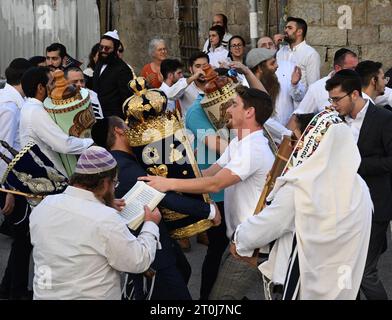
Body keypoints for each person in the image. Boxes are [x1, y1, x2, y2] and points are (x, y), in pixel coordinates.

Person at [140, 86, 275, 300]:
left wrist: (167, 183)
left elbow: (214, 184)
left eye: (234, 104)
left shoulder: (254, 148)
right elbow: (207, 174)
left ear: (249, 112)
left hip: (252, 245)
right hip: (240, 240)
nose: (227, 109)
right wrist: (172, 170)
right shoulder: (240, 142)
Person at [232, 109, 373, 300]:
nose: (293, 147)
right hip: (344, 282)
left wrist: (239, 239)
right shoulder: (360, 186)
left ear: (311, 144)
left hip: (306, 282)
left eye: (296, 139)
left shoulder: (301, 185)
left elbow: (268, 225)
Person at [91, 117, 220, 300]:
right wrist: (209, 211)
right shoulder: (127, 166)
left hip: (151, 242)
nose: (133, 130)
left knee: (183, 269)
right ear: (119, 131)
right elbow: (164, 197)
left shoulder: (120, 161)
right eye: (128, 126)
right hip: (151, 251)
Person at [29, 146, 161, 299]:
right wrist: (151, 224)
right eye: (114, 183)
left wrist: (102, 204)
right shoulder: (105, 218)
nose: (114, 188)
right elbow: (138, 261)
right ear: (105, 183)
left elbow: (74, 228)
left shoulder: (43, 206)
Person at [326, 69, 392, 300]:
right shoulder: (334, 122)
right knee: (344, 269)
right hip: (343, 207)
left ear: (354, 94)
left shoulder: (384, 118)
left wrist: (356, 164)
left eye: (337, 99)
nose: (333, 105)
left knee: (364, 272)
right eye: (331, 99)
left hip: (375, 207)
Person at [19, 67, 93, 177]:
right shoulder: (35, 112)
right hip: (51, 175)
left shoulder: (30, 107)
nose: (56, 86)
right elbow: (64, 145)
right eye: (52, 82)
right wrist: (91, 143)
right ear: (40, 88)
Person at [0, 58, 33, 300]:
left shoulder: (12, 101)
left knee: (22, 240)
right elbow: (4, 149)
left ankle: (10, 287)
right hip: (11, 183)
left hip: (12, 181)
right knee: (23, 239)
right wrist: (8, 188)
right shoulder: (10, 106)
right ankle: (16, 291)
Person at [286, 48, 358, 131]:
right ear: (338, 68)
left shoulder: (359, 84)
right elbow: (298, 117)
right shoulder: (317, 88)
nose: (356, 72)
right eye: (352, 69)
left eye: (356, 68)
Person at [93, 30, 134, 118]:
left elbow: (126, 98)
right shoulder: (99, 63)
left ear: (115, 49)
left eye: (107, 48)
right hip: (97, 114)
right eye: (101, 47)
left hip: (113, 117)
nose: (103, 51)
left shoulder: (123, 69)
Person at [277, 17, 320, 89]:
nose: (285, 30)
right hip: (283, 99)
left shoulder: (311, 54)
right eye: (286, 28)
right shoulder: (281, 52)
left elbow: (313, 85)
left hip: (301, 99)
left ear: (299, 32)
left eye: (290, 28)